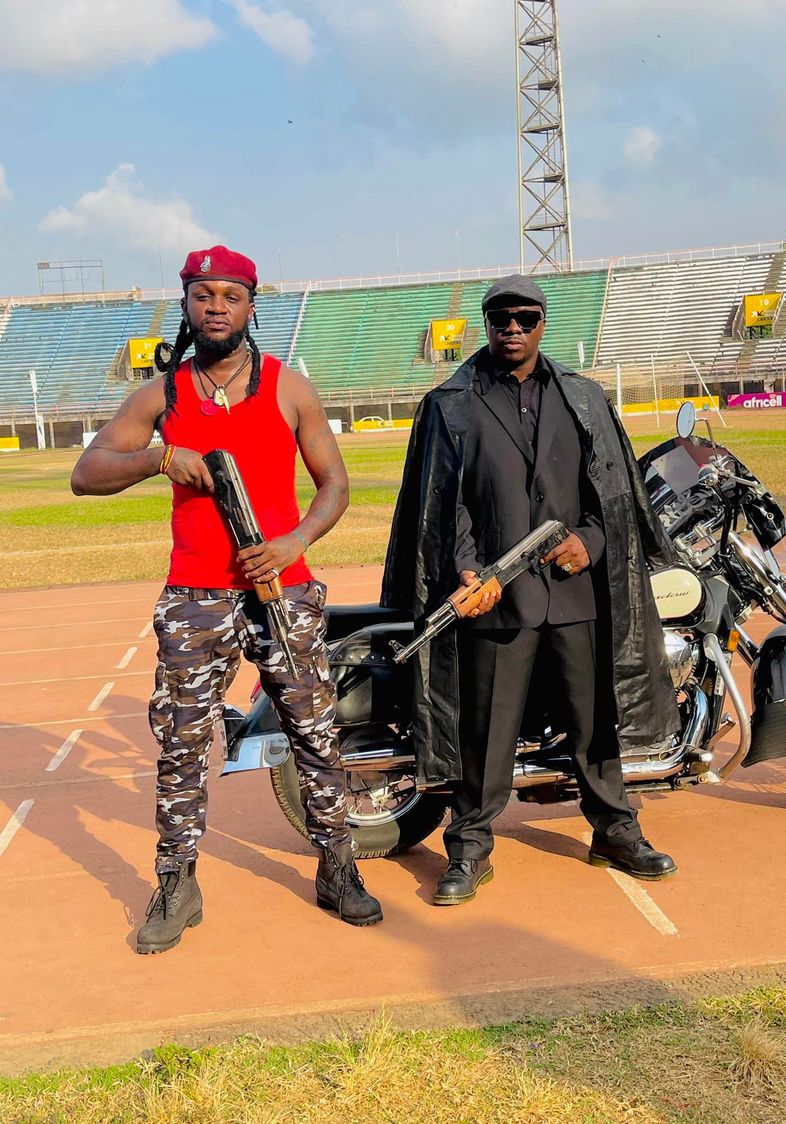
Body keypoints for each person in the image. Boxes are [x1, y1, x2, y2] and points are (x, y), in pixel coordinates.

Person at [72, 245, 382, 952]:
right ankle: (176, 883)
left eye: (231, 296)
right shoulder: (164, 395)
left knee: (315, 733)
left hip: (283, 590)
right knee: (181, 740)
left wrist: (293, 541)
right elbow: (86, 474)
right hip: (195, 596)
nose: (216, 308)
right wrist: (158, 457)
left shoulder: (288, 387)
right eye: (203, 295)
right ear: (185, 304)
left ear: (250, 306)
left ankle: (338, 867)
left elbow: (334, 484)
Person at [381, 274, 678, 905]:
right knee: (485, 733)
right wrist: (465, 568)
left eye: (525, 318)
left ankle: (615, 831)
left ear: (544, 322)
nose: (512, 329)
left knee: (593, 724)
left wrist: (590, 542)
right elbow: (445, 504)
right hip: (496, 596)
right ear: (485, 324)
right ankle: (468, 848)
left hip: (574, 594)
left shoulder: (584, 398)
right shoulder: (452, 403)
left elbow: (610, 496)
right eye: (500, 319)